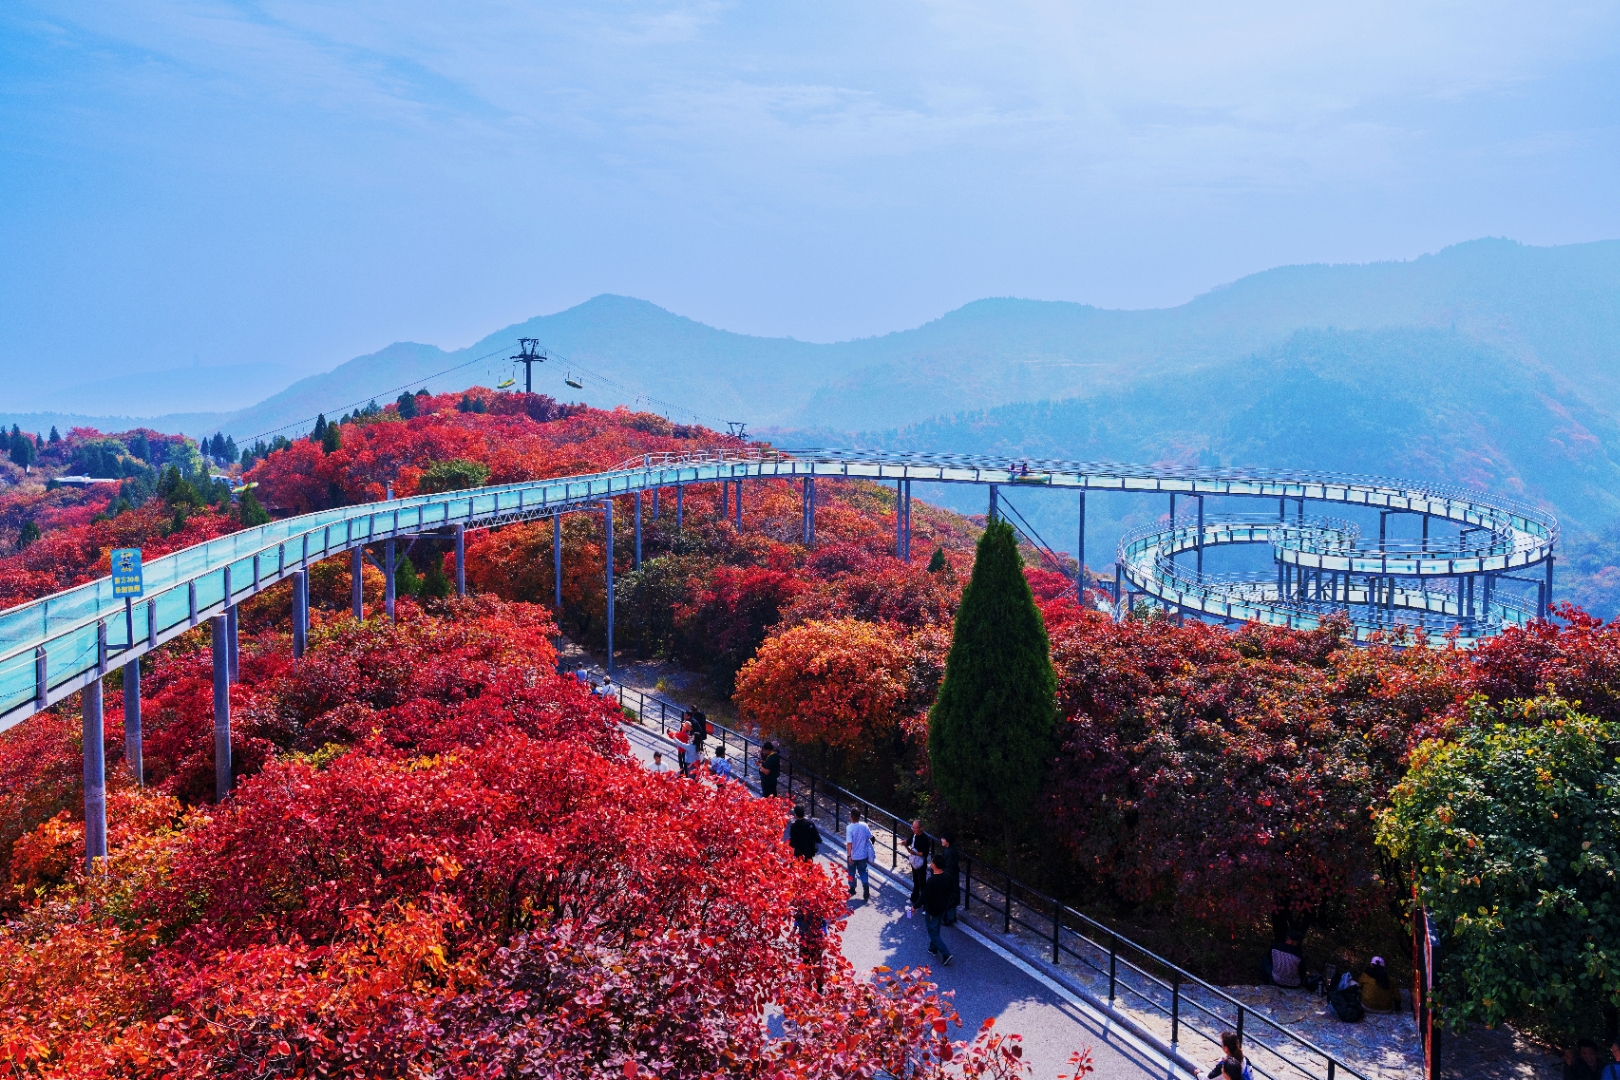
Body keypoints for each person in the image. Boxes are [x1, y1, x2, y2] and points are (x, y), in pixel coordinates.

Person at [921, 852, 954, 965]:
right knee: (936, 928)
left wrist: (914, 907)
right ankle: (933, 948)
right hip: (942, 908)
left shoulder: (932, 880)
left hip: (932, 910)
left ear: (935, 865)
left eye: (932, 862)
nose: (931, 863)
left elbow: (924, 896)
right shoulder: (948, 877)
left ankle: (946, 953)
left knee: (932, 931)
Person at [905, 819, 932, 920]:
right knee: (915, 880)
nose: (913, 829)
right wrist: (905, 843)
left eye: (915, 828)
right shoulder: (914, 835)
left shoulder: (925, 839)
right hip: (914, 862)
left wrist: (915, 853)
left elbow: (925, 853)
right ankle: (914, 897)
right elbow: (909, 841)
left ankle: (925, 905)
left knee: (922, 883)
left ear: (921, 828)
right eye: (912, 827)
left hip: (920, 863)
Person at [845, 807, 875, 900]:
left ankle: (852, 888)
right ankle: (865, 885)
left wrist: (849, 855)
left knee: (851, 871)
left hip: (853, 855)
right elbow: (871, 837)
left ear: (851, 817)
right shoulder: (864, 825)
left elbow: (849, 843)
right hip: (863, 855)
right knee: (863, 871)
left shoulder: (849, 828)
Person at [934, 832, 960, 925]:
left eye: (943, 838)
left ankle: (948, 919)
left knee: (947, 897)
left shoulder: (948, 852)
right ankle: (952, 917)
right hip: (954, 877)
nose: (941, 840)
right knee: (953, 897)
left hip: (949, 878)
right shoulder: (953, 850)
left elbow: (948, 867)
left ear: (947, 841)